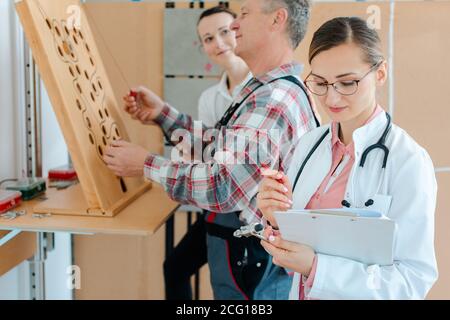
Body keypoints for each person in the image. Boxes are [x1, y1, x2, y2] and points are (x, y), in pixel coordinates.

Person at [104, 0, 318, 300]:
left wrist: (146, 165)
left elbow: (222, 184)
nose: (234, 24)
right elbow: (220, 145)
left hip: (258, 261)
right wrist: (163, 114)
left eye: (244, 14)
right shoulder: (265, 89)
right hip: (255, 255)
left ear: (277, 20)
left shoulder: (273, 99)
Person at [257, 16, 438, 299]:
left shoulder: (408, 161)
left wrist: (317, 268)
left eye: (347, 83)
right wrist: (275, 219)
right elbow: (296, 249)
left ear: (380, 74)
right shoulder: (309, 146)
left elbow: (412, 281)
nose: (332, 98)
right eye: (320, 83)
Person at [163, 6, 252, 300]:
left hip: (254, 217)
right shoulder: (209, 98)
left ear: (239, 30)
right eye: (208, 38)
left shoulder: (264, 90)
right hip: (218, 208)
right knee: (174, 267)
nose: (219, 43)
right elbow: (207, 155)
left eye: (225, 32)